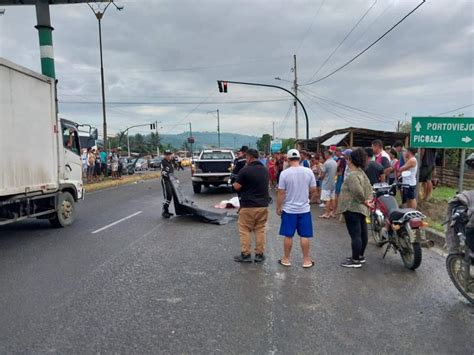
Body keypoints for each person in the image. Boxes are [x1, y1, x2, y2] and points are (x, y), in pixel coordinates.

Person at [276, 149, 317, 268]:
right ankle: (306, 260)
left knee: (288, 235)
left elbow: (281, 193)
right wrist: (308, 198)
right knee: (304, 235)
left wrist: (279, 207)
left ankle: (286, 259)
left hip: (289, 209)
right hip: (304, 209)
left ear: (288, 159)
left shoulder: (285, 173)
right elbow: (314, 189)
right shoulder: (308, 171)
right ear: (299, 158)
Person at [337, 148, 373, 268]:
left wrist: (363, 200)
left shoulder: (353, 175)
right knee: (362, 233)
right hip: (361, 208)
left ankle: (355, 260)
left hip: (352, 208)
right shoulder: (362, 173)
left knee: (355, 235)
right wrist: (367, 201)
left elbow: (357, 190)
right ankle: (359, 256)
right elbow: (369, 188)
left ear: (350, 160)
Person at [233, 149, 270, 263]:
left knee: (244, 229)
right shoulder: (264, 170)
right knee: (260, 229)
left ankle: (246, 254)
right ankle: (259, 254)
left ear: (249, 157)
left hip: (248, 205)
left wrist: (234, 182)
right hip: (263, 205)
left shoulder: (245, 170)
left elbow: (237, 187)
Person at [319, 150, 337, 218]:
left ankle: (327, 213)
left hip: (326, 183)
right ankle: (333, 212)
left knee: (327, 199)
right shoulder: (334, 162)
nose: (324, 155)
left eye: (325, 154)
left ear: (327, 154)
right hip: (332, 182)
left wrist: (321, 177)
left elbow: (323, 174)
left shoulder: (326, 163)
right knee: (333, 198)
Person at [160, 150, 175, 218]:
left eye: (170, 154)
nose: (169, 156)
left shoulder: (170, 162)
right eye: (168, 155)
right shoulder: (163, 162)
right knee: (168, 195)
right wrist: (168, 175)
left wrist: (175, 179)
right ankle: (164, 210)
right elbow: (163, 172)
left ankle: (167, 210)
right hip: (165, 180)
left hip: (171, 180)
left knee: (171, 195)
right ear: (165, 155)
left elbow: (172, 172)